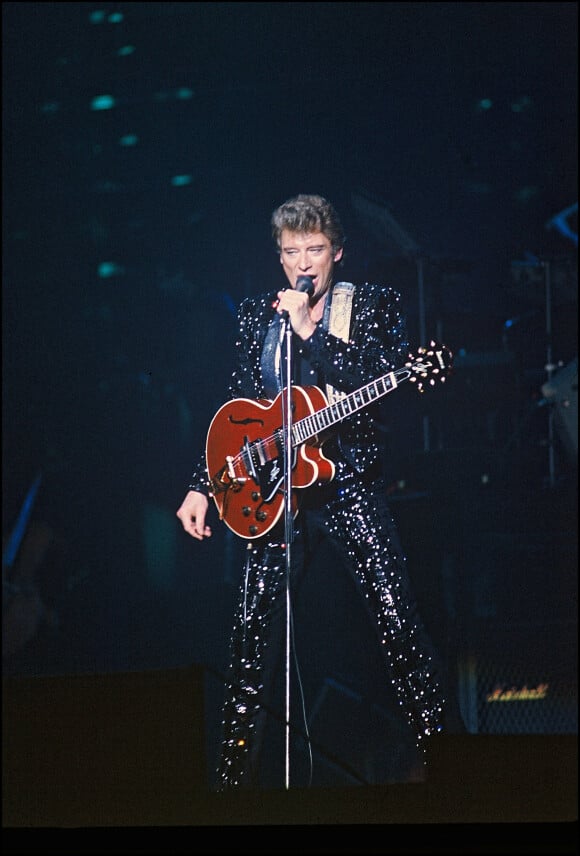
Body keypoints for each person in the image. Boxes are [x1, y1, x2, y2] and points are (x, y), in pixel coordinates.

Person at [176, 193, 461, 790]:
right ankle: (228, 790)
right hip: (276, 494)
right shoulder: (259, 314)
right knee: (250, 640)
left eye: (315, 250)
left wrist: (313, 333)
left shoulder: (372, 305)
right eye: (291, 253)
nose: (303, 264)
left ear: (337, 252)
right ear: (278, 257)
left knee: (398, 625)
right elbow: (236, 404)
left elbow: (385, 385)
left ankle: (455, 772)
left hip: (348, 487)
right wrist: (204, 484)